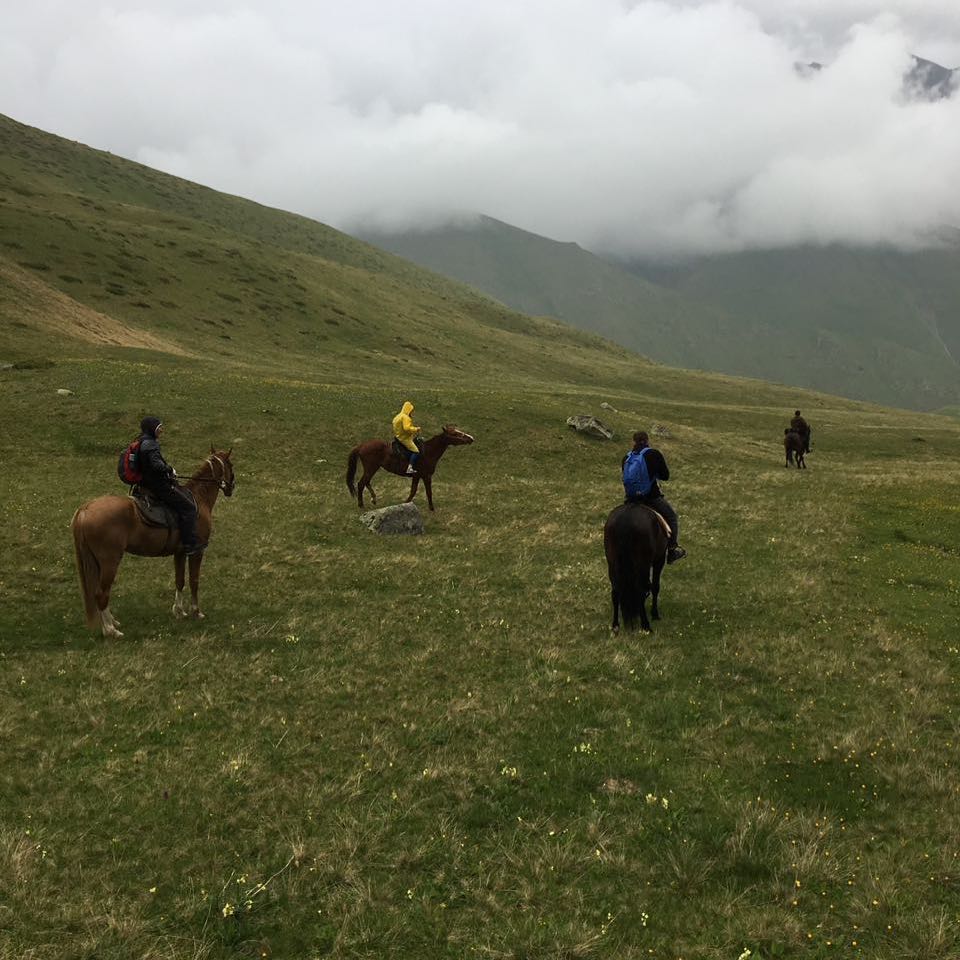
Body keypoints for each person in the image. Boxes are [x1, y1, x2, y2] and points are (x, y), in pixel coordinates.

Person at [136, 416, 203, 555]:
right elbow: (156, 465)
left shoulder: (141, 441)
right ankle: (189, 544)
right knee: (189, 508)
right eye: (159, 427)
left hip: (145, 484)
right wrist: (169, 469)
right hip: (158, 486)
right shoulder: (151, 444)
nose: (161, 430)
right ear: (152, 429)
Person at [621, 430, 686, 564]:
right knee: (672, 517)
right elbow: (665, 476)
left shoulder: (626, 458)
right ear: (647, 441)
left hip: (631, 499)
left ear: (634, 442)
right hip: (651, 497)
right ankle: (672, 550)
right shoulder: (654, 454)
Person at [392, 401, 422, 476]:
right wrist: (416, 429)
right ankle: (410, 468)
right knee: (416, 451)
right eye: (411, 411)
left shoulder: (398, 416)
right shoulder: (406, 417)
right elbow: (407, 428)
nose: (411, 412)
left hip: (398, 436)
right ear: (408, 410)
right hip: (405, 438)